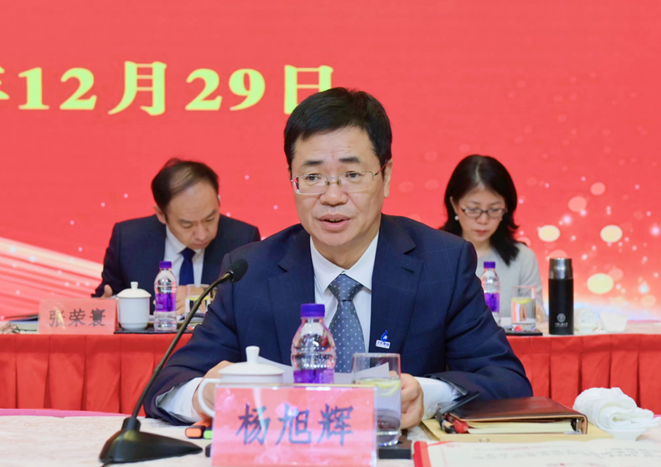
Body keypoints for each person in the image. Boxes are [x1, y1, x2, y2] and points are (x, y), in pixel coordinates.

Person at [145, 88, 532, 428]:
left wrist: (425, 395)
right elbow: (166, 387)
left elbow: (507, 381)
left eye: (352, 175)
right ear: (292, 180)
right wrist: (208, 395)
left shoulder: (442, 264)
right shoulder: (250, 272)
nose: (331, 196)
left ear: (386, 176)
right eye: (313, 177)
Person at [94, 158, 261, 313]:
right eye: (187, 224)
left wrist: (210, 296)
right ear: (161, 214)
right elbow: (104, 301)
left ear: (218, 201)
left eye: (210, 219)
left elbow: (255, 302)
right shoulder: (128, 240)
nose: (202, 234)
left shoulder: (243, 239)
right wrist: (105, 308)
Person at [441, 155, 544, 320]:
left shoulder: (523, 259)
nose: (483, 220)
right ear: (454, 205)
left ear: (506, 208)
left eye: (494, 209)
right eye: (473, 209)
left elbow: (536, 322)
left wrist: (536, 315)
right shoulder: (434, 254)